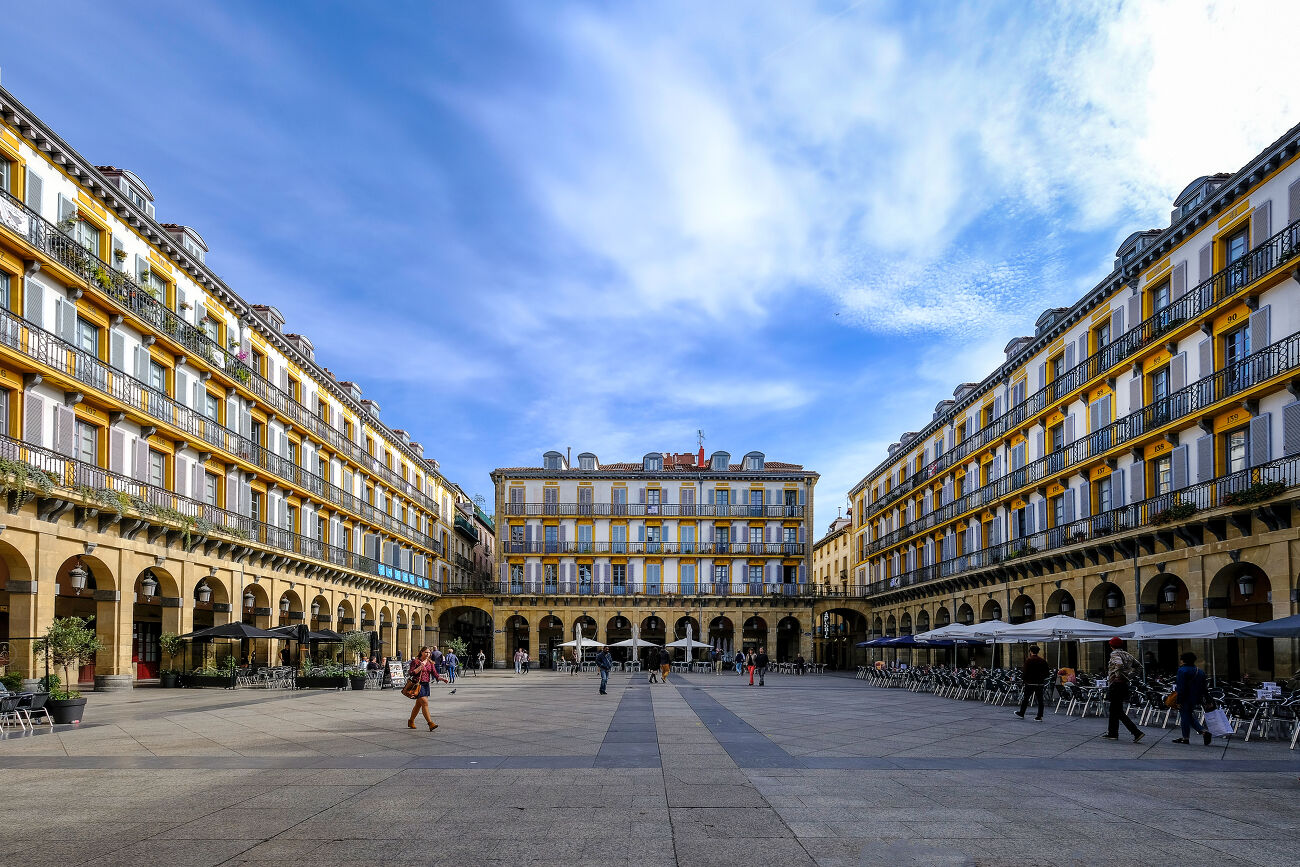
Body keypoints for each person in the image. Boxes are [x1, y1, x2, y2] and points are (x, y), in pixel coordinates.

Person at [1102, 637, 1144, 743]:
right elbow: (1139, 667)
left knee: (1117, 710)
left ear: (1111, 646)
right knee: (1114, 709)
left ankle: (1136, 732)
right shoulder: (1127, 655)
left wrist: (1118, 675)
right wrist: (1129, 676)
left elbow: (1119, 665)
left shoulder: (1114, 654)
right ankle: (1112, 733)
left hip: (1116, 684)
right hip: (1123, 685)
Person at [1172, 651, 1212, 746]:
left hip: (1185, 698)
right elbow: (1204, 688)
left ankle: (1186, 737)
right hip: (1196, 698)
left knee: (1185, 717)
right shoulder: (1200, 671)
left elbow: (1181, 687)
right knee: (1189, 715)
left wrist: (1178, 700)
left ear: (1183, 660)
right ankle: (1202, 732)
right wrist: (1207, 699)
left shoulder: (1182, 670)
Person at [407, 646, 440, 731]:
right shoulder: (416, 661)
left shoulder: (430, 662)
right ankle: (430, 723)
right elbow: (411, 673)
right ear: (421, 652)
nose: (427, 654)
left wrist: (441, 678)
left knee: (418, 705)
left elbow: (434, 673)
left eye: (429, 653)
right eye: (426, 652)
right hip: (418, 685)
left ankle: (411, 721)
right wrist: (420, 667)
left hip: (426, 685)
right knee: (425, 703)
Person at [1015, 644, 1049, 721]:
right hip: (1040, 683)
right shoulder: (1043, 661)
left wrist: (1023, 680)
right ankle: (1039, 716)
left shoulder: (1029, 660)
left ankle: (1022, 713)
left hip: (1030, 683)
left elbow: (1025, 672)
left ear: (1030, 651)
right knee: (1040, 700)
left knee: (1026, 699)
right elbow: (1047, 673)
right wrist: (1041, 678)